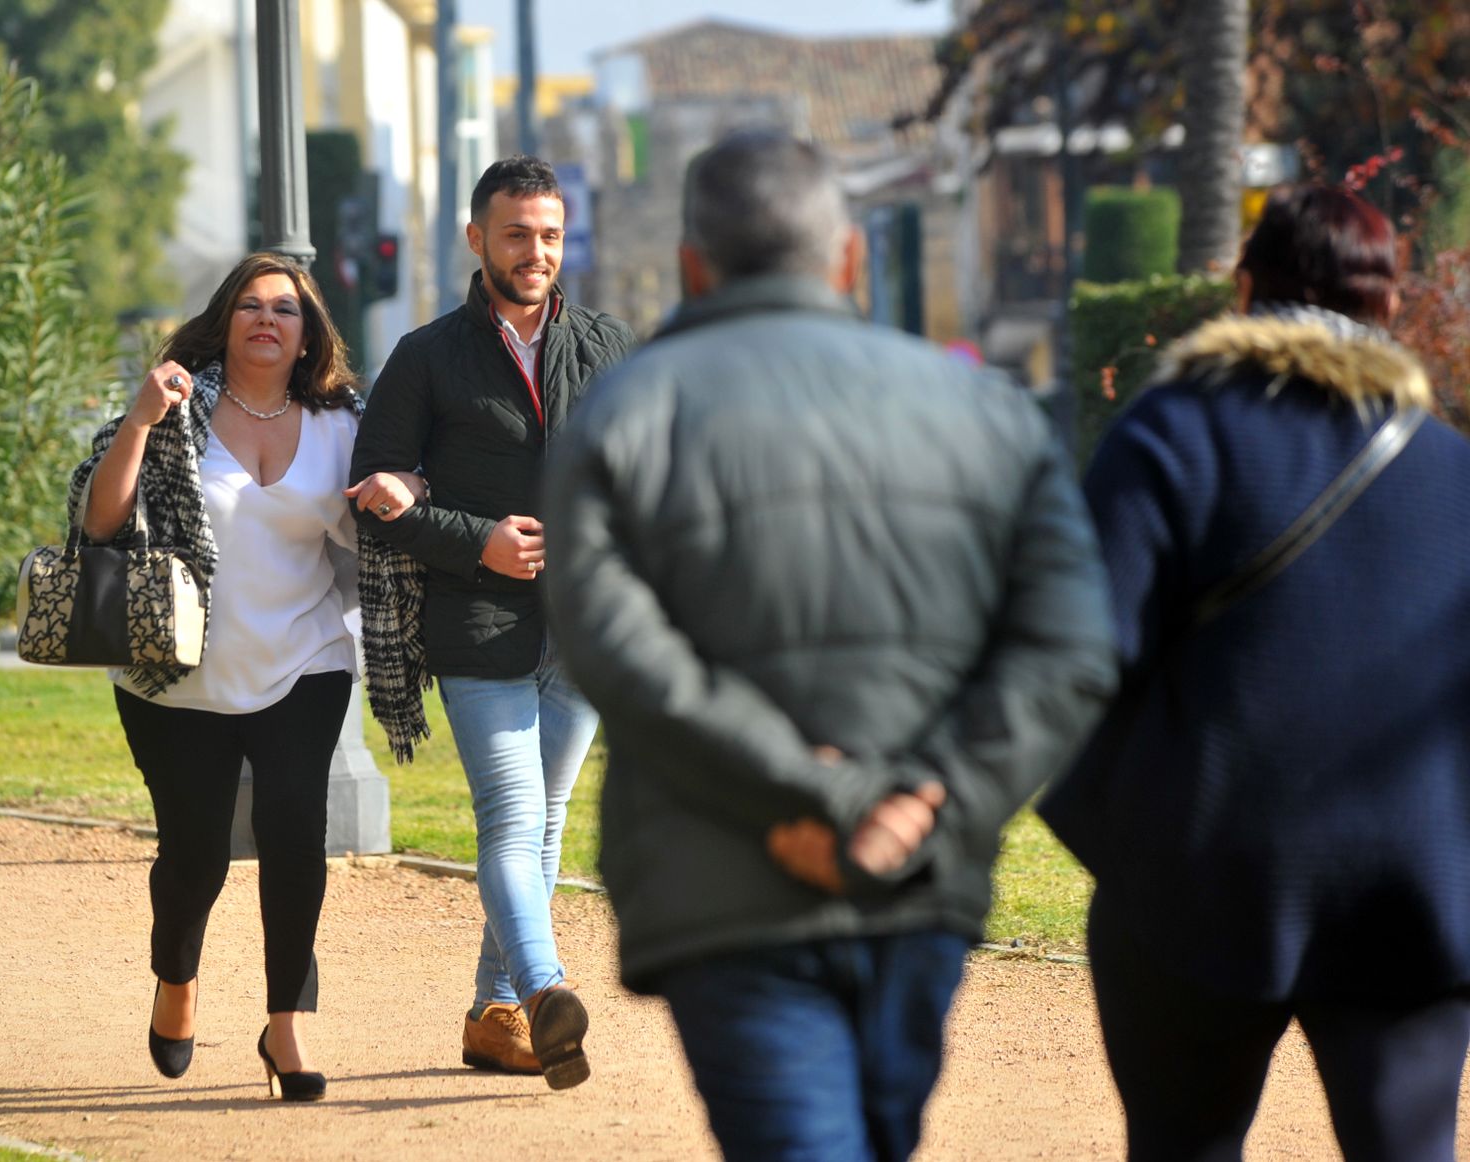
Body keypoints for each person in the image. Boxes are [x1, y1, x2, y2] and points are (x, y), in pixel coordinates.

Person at [540, 130, 1117, 1160]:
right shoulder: (985, 409)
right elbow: (1069, 646)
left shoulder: (623, 411)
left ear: (690, 266)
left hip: (726, 876)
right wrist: (916, 805)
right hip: (915, 873)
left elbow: (613, 645)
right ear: (848, 257)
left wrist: (816, 793)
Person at [1039, 184, 1470, 1162]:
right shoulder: (1453, 468)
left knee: (1182, 1143)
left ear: (1242, 288)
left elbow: (1072, 655)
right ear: (1389, 304)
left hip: (1197, 877)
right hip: (1411, 888)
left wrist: (1116, 831)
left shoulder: (1167, 435)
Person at [72, 252, 415, 1102]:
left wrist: (405, 484)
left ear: (308, 334)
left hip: (305, 662)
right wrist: (139, 422)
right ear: (226, 321)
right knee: (195, 856)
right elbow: (100, 523)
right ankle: (177, 979)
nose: (268, 319)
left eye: (285, 309)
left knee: (296, 834)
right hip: (177, 677)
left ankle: (285, 1025)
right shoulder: (175, 408)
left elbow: (382, 514)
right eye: (252, 305)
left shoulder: (343, 424)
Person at [348, 155, 634, 1089]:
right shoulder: (427, 355)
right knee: (512, 816)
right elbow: (373, 493)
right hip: (475, 620)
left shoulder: (609, 345)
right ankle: (547, 991)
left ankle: (492, 1015)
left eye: (549, 235)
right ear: (476, 239)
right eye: (516, 234)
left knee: (545, 824)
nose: (535, 252)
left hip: (583, 626)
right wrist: (481, 543)